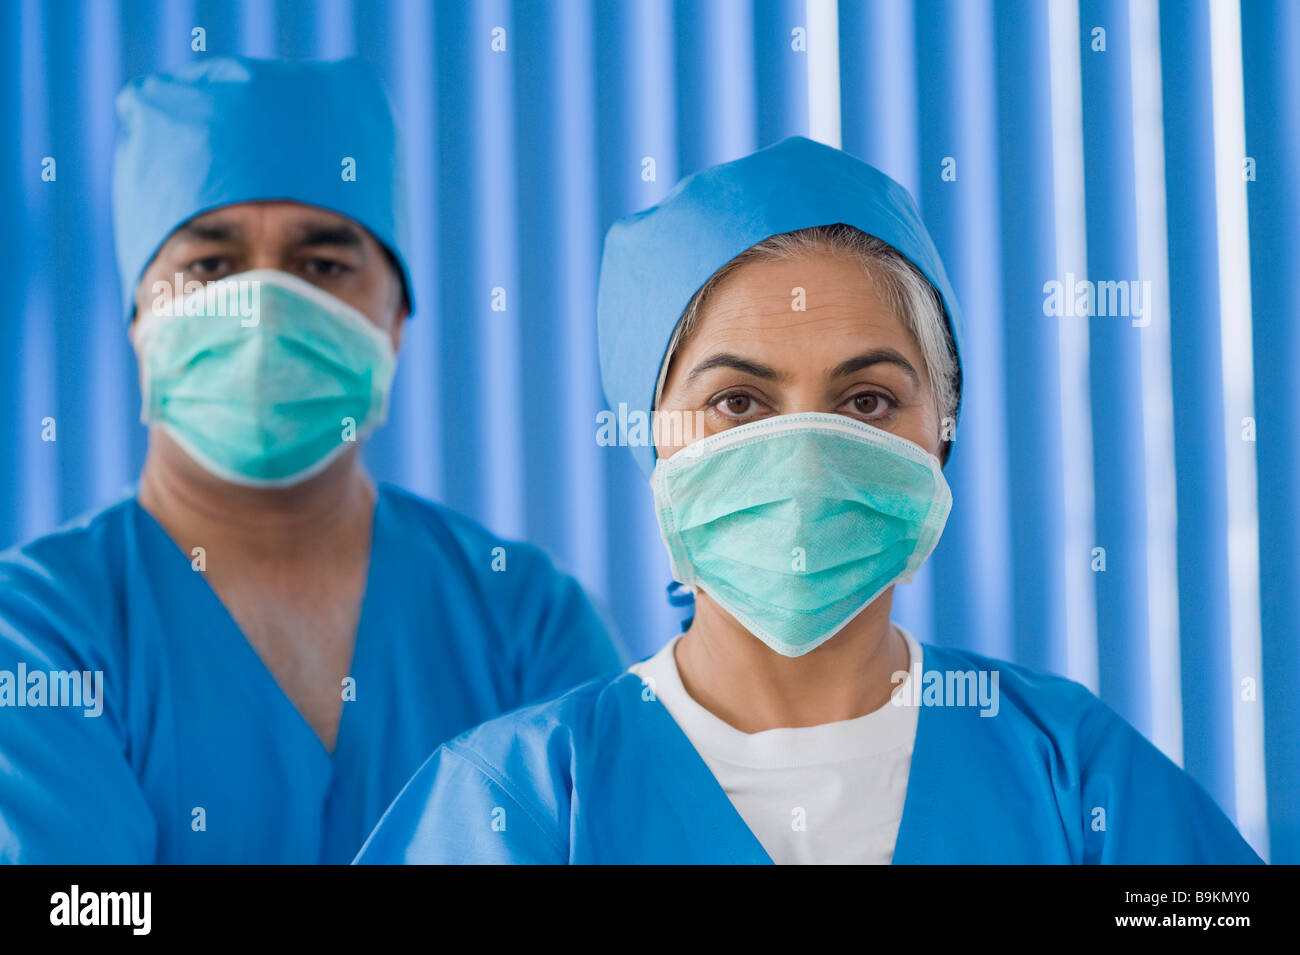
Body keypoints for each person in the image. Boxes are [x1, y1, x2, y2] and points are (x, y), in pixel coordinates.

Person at [354, 136, 1262, 864]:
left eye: (866, 400)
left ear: (939, 434)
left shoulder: (1078, 778)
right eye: (738, 403)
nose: (805, 450)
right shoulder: (519, 805)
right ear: (652, 441)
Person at [0, 55, 624, 864]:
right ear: (138, 316)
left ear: (395, 317)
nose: (265, 306)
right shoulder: (39, 630)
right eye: (209, 265)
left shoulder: (527, 620)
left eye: (322, 264)